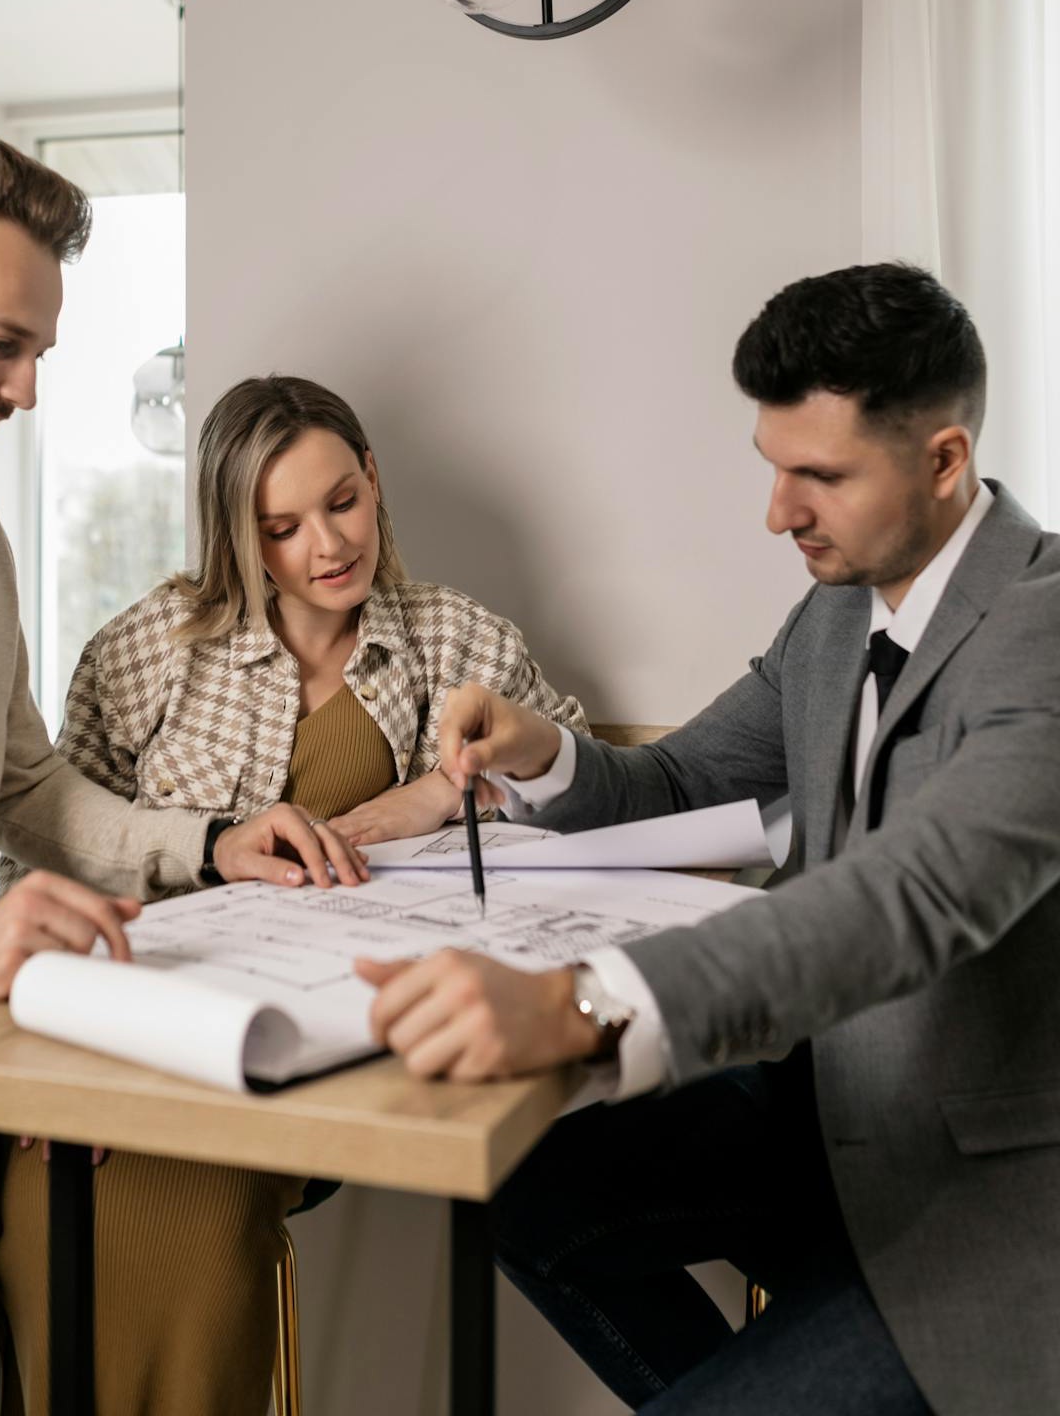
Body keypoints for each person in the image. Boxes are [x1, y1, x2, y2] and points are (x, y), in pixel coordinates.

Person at [358, 263, 1060, 1414]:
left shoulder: (1043, 626)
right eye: (771, 468)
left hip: (977, 1205)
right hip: (820, 1129)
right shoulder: (835, 613)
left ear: (942, 460)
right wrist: (545, 751)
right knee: (510, 1187)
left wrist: (582, 1004)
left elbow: (909, 894)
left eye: (816, 476)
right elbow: (682, 776)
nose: (776, 512)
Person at [0, 132, 359, 1416]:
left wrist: (209, 842)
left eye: (40, 351)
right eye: (2, 345)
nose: (29, 390)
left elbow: (25, 790)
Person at [0, 372, 589, 1415]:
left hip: (312, 1056)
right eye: (280, 526)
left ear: (373, 478)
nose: (326, 546)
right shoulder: (146, 651)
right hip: (132, 1028)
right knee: (49, 1200)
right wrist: (62, 1037)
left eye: (341, 502)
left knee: (206, 1212)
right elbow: (40, 855)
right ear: (236, 535)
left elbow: (583, 802)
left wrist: (428, 798)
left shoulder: (456, 643)